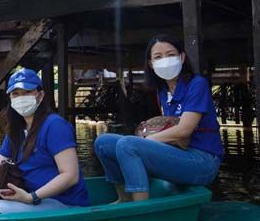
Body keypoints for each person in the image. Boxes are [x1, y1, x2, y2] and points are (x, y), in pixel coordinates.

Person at [93, 35, 224, 202]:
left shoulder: (197, 84)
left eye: (171, 54)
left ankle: (141, 206)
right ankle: (124, 199)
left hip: (202, 161)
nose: (165, 61)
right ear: (151, 64)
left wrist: (147, 141)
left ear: (182, 57)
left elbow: (184, 130)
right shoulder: (162, 90)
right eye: (158, 57)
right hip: (178, 152)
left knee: (128, 144)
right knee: (103, 143)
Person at [0, 68, 89, 214]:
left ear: (40, 95)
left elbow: (70, 175)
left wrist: (31, 197)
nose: (21, 98)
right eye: (15, 94)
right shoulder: (17, 130)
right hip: (29, 194)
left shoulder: (55, 125)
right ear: (10, 98)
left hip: (62, 201)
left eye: (27, 92)